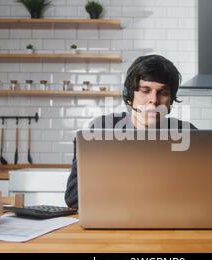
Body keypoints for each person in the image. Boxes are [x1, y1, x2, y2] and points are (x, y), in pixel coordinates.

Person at [64, 55, 197, 208]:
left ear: (170, 101)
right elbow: (74, 197)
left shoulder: (189, 134)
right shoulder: (99, 130)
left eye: (163, 92)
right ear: (129, 97)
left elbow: (205, 193)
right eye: (145, 91)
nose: (154, 99)